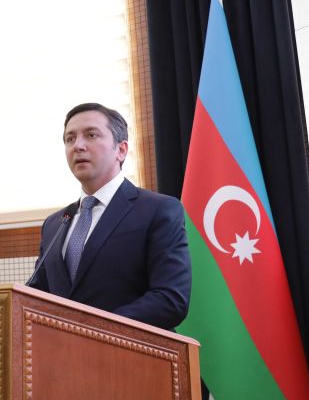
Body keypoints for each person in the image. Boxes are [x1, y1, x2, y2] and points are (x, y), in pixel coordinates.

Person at [28, 103, 191, 329]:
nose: (78, 146)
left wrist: (94, 328)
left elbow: (170, 299)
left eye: (91, 135)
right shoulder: (55, 224)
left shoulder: (158, 210)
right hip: (60, 349)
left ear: (121, 150)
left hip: (130, 349)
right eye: (70, 139)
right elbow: (37, 293)